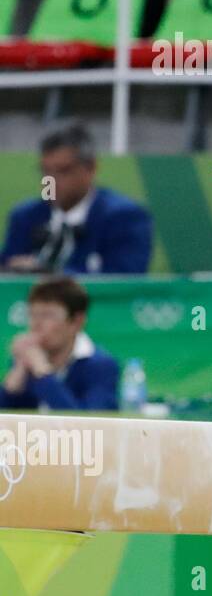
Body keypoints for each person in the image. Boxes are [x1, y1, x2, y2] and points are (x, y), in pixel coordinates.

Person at [1, 123, 153, 275]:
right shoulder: (25, 216)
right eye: (45, 171)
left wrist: (46, 273)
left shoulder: (125, 217)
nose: (50, 181)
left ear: (91, 168)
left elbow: (125, 281)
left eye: (63, 171)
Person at [1, 276, 121, 411]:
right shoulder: (27, 358)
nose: (36, 324)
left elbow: (89, 423)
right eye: (33, 315)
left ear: (77, 322)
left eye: (48, 315)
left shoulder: (101, 366)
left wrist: (43, 373)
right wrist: (17, 373)